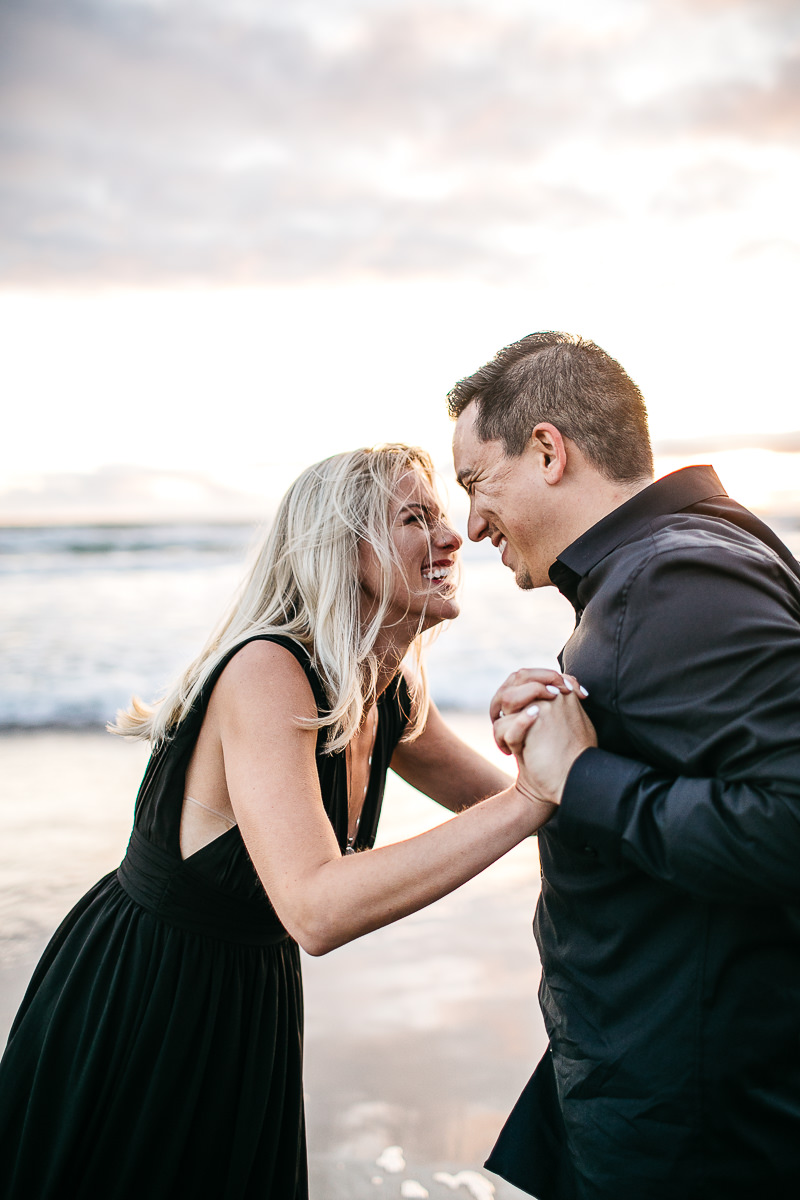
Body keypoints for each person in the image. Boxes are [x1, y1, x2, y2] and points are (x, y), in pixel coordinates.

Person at [0, 443, 580, 1200]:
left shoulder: (387, 687)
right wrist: (532, 796)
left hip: (250, 995)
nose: (453, 538)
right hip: (146, 993)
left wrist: (544, 741)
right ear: (343, 552)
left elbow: (500, 805)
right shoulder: (269, 669)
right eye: (416, 518)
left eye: (441, 516)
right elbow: (316, 908)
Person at [448, 332, 800, 1200]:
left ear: (546, 450)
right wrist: (560, 732)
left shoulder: (677, 576)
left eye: (474, 483)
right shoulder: (671, 565)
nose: (472, 525)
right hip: (665, 1087)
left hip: (695, 1137)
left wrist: (581, 780)